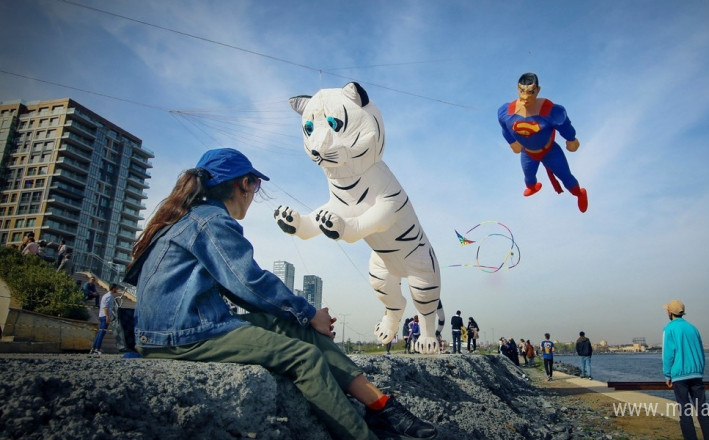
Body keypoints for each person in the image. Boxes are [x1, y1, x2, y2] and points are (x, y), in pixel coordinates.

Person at [127, 148, 436, 440]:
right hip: (181, 334)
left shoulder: (192, 217)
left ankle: (381, 405)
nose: (255, 193)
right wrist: (309, 312)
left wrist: (302, 317)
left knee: (292, 326)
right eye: (256, 185)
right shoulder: (211, 221)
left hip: (178, 327)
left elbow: (244, 290)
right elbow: (248, 284)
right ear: (243, 185)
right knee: (305, 358)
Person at [497, 72, 588, 213]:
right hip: (528, 153)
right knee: (528, 177)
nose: (526, 97)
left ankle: (579, 193)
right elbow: (504, 128)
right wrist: (511, 142)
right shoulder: (506, 111)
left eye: (531, 92)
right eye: (522, 91)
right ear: (517, 88)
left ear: (538, 90)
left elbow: (564, 126)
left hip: (550, 151)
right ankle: (533, 187)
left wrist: (571, 139)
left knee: (566, 177)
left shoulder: (550, 110)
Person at [662, 300, 709, 440]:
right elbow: (701, 351)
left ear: (669, 312)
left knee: (685, 412)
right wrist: (700, 370)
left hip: (680, 376)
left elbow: (668, 354)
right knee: (702, 411)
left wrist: (667, 375)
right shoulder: (693, 328)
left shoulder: (669, 329)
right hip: (697, 375)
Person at [90, 284, 121, 355]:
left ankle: (94, 347)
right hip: (104, 316)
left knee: (100, 332)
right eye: (116, 288)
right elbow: (105, 307)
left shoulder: (108, 296)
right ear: (113, 288)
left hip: (102, 316)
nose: (117, 290)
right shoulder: (108, 297)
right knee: (102, 332)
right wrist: (107, 317)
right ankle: (97, 348)